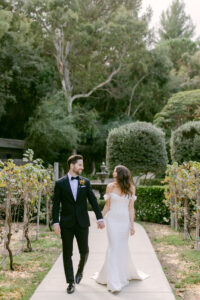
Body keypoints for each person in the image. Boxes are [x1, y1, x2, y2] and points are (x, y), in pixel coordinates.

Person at [52, 154, 105, 294]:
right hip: (66, 224)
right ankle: (70, 282)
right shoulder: (60, 183)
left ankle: (80, 271)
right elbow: (55, 205)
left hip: (82, 223)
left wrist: (100, 218)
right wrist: (55, 222)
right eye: (80, 165)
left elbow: (93, 201)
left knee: (85, 251)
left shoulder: (85, 182)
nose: (82, 167)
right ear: (72, 165)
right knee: (67, 253)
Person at [92, 165, 150, 292]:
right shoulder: (110, 187)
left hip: (124, 222)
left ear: (120, 174)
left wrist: (132, 225)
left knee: (121, 247)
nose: (113, 173)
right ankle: (113, 282)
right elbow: (107, 206)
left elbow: (131, 208)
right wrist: (100, 218)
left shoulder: (131, 188)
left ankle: (120, 274)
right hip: (112, 221)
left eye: (114, 171)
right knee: (113, 247)